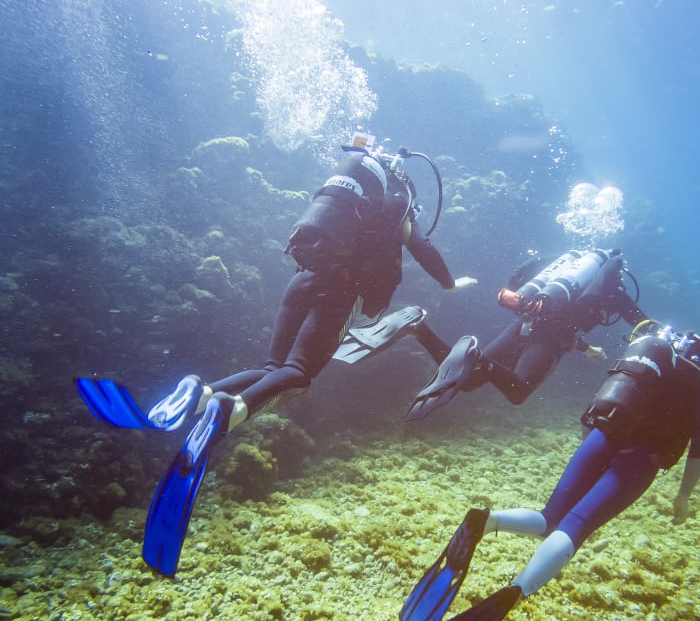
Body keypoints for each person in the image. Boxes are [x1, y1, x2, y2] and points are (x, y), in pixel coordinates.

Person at [75, 132, 477, 575]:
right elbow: (421, 248)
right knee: (300, 375)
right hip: (338, 291)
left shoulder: (345, 189)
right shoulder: (396, 202)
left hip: (301, 278)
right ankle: (232, 411)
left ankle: (201, 392)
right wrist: (448, 284)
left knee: (273, 367)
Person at [399, 321, 700, 621]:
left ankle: (486, 520)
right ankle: (515, 591)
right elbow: (697, 448)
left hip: (605, 433)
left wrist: (598, 445)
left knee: (549, 517)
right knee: (575, 527)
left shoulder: (660, 351)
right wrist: (683, 494)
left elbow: (610, 399)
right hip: (643, 457)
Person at [335, 248, 648, 419]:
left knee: (468, 381)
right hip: (549, 339)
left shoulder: (564, 270)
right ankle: (474, 356)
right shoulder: (612, 290)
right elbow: (644, 326)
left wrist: (584, 348)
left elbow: (521, 277)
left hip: (523, 323)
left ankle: (417, 326)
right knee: (517, 391)